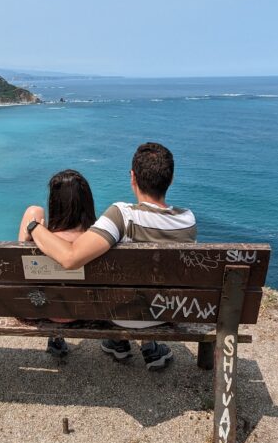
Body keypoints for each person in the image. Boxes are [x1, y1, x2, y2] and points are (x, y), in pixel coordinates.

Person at [23, 142, 196, 370]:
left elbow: (71, 258)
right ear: (171, 179)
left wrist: (34, 227)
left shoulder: (122, 216)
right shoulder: (188, 219)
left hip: (123, 315)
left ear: (132, 177)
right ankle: (144, 345)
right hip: (170, 311)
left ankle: (118, 342)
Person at [18, 169, 98, 357]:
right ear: (87, 202)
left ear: (54, 203)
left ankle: (55, 337)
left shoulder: (42, 241)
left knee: (34, 211)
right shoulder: (98, 240)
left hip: (40, 308)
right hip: (85, 311)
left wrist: (34, 233)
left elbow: (23, 278)